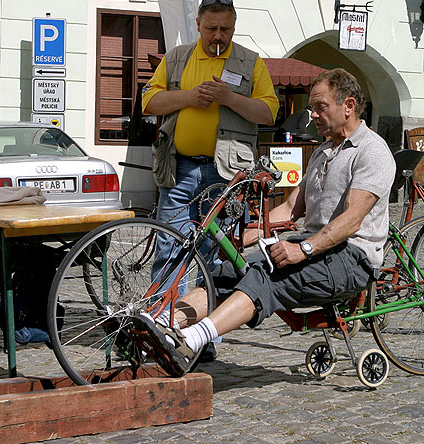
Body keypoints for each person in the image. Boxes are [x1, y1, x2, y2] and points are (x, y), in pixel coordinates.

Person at [131, 68, 396, 376]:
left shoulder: (372, 151)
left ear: (348, 106)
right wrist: (247, 237)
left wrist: (304, 249)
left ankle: (192, 339)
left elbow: (352, 220)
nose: (312, 115)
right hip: (315, 248)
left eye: (320, 106)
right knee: (226, 272)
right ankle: (163, 323)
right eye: (312, 107)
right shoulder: (324, 151)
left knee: (264, 276)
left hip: (351, 258)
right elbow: (290, 209)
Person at [140, 0, 279, 362]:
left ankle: (199, 337)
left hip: (225, 174)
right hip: (180, 167)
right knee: (171, 247)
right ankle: (158, 326)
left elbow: (268, 112)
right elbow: (149, 102)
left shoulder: (250, 62)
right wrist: (188, 97)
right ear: (198, 24)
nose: (219, 35)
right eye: (212, 28)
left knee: (209, 256)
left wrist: (229, 98)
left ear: (234, 26)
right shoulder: (178, 58)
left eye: (226, 29)